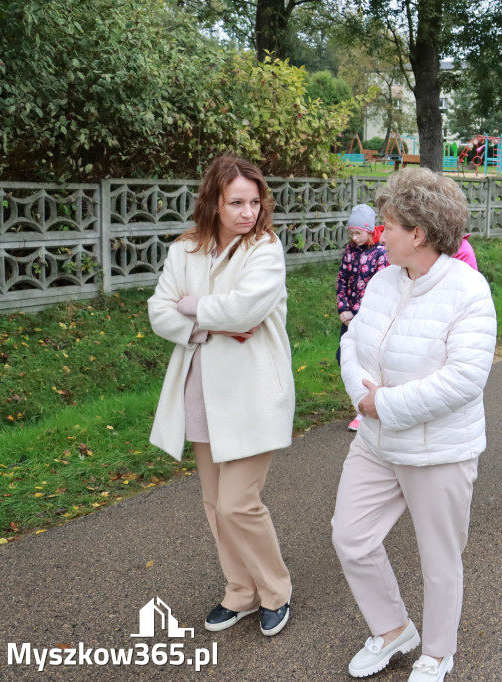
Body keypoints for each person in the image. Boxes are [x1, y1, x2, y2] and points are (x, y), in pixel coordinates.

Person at [331, 168, 497, 682]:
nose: (381, 234)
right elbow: (353, 344)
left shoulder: (468, 290)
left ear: (419, 233)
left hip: (439, 451)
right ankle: (393, 630)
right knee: (350, 537)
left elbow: (466, 377)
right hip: (378, 442)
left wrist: (388, 404)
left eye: (390, 225)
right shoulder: (382, 280)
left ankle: (438, 652)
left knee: (439, 558)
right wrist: (363, 396)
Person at [148, 155, 295, 637]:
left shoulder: (265, 248)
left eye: (254, 202)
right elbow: (158, 313)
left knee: (238, 503)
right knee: (214, 503)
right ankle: (240, 592)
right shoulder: (184, 250)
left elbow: (247, 309)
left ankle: (276, 591)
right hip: (199, 388)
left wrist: (190, 307)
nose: (248, 212)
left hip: (253, 392)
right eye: (236, 202)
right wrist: (207, 323)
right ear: (213, 201)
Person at [336, 203, 389, 431]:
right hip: (350, 317)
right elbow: (343, 280)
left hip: (370, 317)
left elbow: (383, 287)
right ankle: (361, 402)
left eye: (358, 233)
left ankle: (365, 410)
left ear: (369, 231)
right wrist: (343, 309)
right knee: (344, 357)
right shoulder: (350, 252)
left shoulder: (381, 253)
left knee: (368, 361)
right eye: (351, 233)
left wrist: (369, 315)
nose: (355, 237)